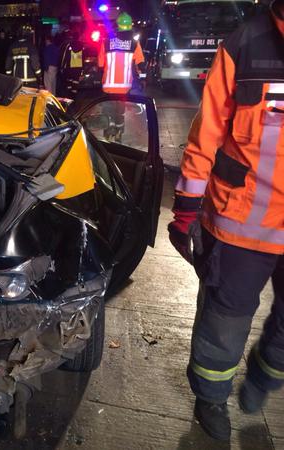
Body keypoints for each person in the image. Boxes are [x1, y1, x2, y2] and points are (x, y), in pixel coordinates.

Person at [168, 0, 284, 441]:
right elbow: (208, 130)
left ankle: (264, 376)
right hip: (242, 224)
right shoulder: (246, 44)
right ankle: (211, 398)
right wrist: (186, 208)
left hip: (246, 222)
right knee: (224, 319)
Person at [97, 12, 144, 142]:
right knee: (120, 112)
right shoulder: (134, 43)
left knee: (108, 111)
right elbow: (140, 63)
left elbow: (100, 64)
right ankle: (119, 133)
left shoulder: (106, 41)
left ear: (117, 26)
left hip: (108, 86)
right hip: (124, 87)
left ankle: (108, 134)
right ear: (130, 26)